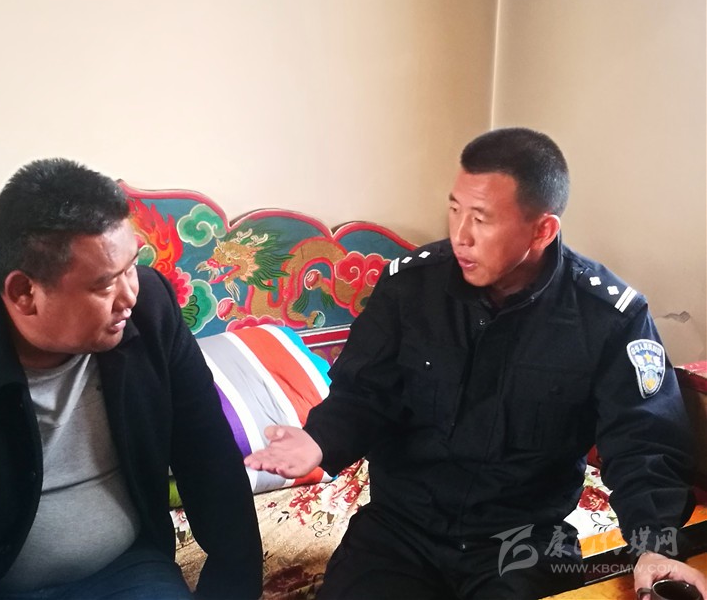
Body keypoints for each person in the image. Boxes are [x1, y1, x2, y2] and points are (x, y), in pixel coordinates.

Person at [245, 128, 707, 599]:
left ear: (542, 230)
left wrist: (655, 546)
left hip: (521, 539)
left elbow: (643, 443)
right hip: (401, 531)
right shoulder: (410, 288)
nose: (460, 236)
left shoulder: (608, 318)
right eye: (455, 210)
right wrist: (320, 440)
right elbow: (366, 393)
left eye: (481, 219)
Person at [0, 159, 263, 600]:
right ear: (24, 293)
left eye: (131, 266)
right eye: (104, 285)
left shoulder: (152, 309)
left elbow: (206, 450)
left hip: (128, 571)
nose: (129, 295)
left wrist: (232, 584)